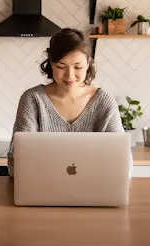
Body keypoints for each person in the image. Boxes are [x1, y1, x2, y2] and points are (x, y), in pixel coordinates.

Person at [7, 28, 133, 178]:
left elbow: (123, 164)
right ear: (51, 63)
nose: (70, 75)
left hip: (95, 194)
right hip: (42, 194)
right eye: (61, 67)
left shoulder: (104, 102)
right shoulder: (33, 99)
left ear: (88, 62)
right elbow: (17, 165)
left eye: (78, 67)